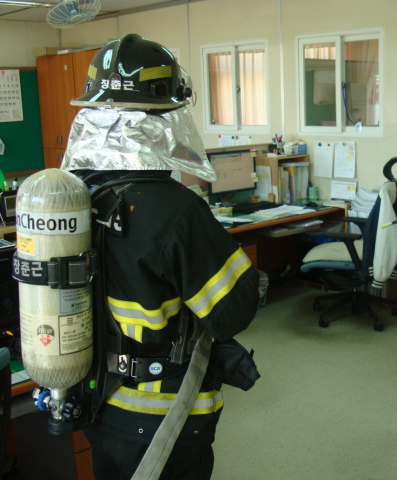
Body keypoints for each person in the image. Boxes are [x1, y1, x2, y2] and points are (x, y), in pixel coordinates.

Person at [61, 34, 260, 478]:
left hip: (98, 404)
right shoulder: (176, 210)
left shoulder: (72, 199)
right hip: (165, 416)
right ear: (165, 120)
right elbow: (233, 311)